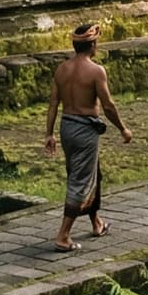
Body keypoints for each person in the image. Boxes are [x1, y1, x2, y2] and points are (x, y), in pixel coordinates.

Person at [42, 22, 132, 252]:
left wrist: (49, 134)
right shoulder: (96, 71)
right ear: (93, 44)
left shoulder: (62, 69)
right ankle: (63, 236)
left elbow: (53, 103)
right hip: (84, 129)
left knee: (91, 173)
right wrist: (122, 128)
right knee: (81, 180)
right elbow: (108, 105)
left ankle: (96, 222)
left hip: (66, 127)